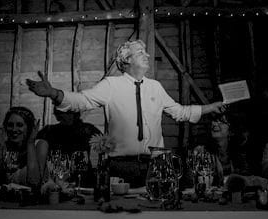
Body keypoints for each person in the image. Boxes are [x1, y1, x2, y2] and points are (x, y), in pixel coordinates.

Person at [24, 40, 225, 187]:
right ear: (126, 60)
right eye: (140, 53)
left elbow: (180, 112)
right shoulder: (111, 85)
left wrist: (210, 107)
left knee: (154, 215)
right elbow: (82, 101)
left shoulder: (155, 87)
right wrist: (53, 93)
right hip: (120, 167)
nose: (147, 55)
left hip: (156, 164)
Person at [0, 107, 49, 187]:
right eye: (10, 125)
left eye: (19, 125)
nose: (14, 129)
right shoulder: (3, 146)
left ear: (29, 127)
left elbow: (34, 182)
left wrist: (30, 143)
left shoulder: (40, 145)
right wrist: (1, 146)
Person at [36, 110, 102, 153]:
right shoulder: (49, 130)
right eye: (61, 113)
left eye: (68, 112)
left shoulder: (88, 130)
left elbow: (105, 147)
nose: (65, 116)